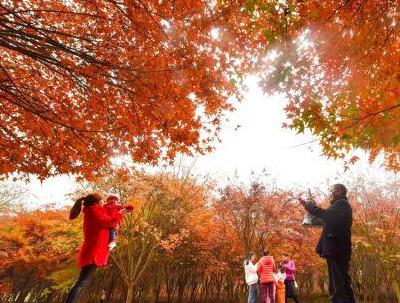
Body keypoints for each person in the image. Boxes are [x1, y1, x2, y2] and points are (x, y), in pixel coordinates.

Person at [64, 193, 132, 303]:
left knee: (82, 282)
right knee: (82, 282)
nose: (103, 203)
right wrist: (121, 213)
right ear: (97, 202)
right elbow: (109, 222)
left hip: (93, 249)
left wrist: (120, 210)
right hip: (93, 251)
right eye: (101, 201)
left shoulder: (95, 211)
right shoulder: (94, 212)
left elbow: (109, 219)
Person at [299, 184, 356, 303]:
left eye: (333, 190)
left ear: (340, 191)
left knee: (338, 284)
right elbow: (326, 218)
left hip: (337, 250)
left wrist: (309, 205)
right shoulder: (340, 206)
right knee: (342, 282)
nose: (331, 192)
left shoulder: (341, 204)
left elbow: (325, 214)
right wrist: (309, 208)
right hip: (338, 250)